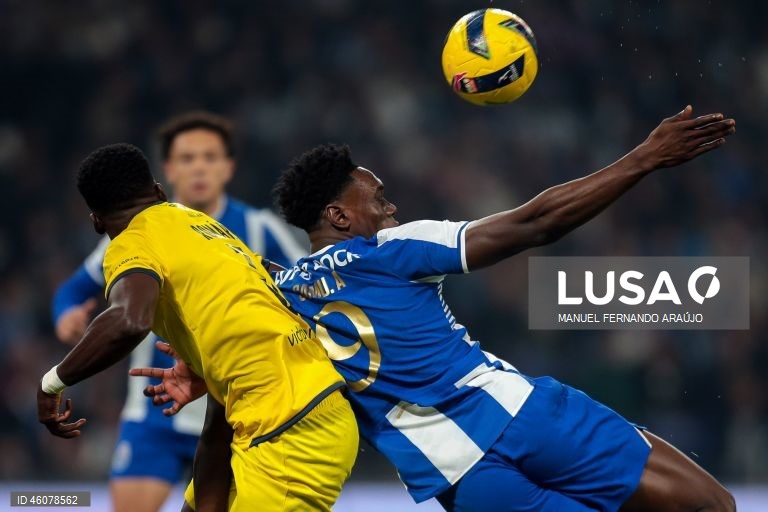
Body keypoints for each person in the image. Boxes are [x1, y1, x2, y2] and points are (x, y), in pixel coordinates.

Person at [147, 106, 737, 511]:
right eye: (376, 198)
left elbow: (254, 363)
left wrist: (205, 373)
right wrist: (644, 158)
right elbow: (534, 223)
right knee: (710, 504)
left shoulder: (280, 297)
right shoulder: (387, 249)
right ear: (339, 217)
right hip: (530, 419)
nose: (391, 205)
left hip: (461, 479)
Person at [37, 143, 358, 512]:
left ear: (97, 221)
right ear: (158, 190)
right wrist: (208, 362)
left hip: (291, 431)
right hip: (293, 415)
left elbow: (128, 321)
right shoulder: (203, 227)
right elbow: (218, 427)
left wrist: (52, 384)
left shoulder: (132, 243)